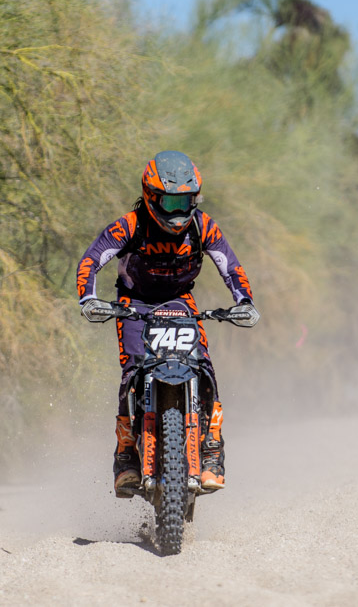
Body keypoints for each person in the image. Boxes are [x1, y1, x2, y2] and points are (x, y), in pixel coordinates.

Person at [76, 151, 256, 495]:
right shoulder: (129, 225)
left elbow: (231, 267)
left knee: (204, 367)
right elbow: (91, 260)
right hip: (134, 304)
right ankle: (126, 455)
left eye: (185, 201)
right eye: (171, 202)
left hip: (180, 301)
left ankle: (212, 449)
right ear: (151, 196)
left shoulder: (203, 226)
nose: (178, 212)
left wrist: (244, 302)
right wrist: (88, 298)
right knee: (132, 370)